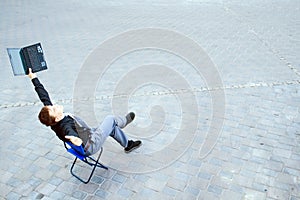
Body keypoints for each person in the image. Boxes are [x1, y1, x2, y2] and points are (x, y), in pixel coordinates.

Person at [28, 68, 142, 155]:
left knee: (111, 127)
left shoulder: (52, 120)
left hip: (89, 134)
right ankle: (124, 121)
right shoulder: (65, 127)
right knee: (110, 119)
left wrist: (33, 77)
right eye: (53, 109)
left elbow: (43, 96)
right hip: (90, 144)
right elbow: (70, 134)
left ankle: (128, 145)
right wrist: (75, 140)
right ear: (57, 118)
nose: (55, 106)